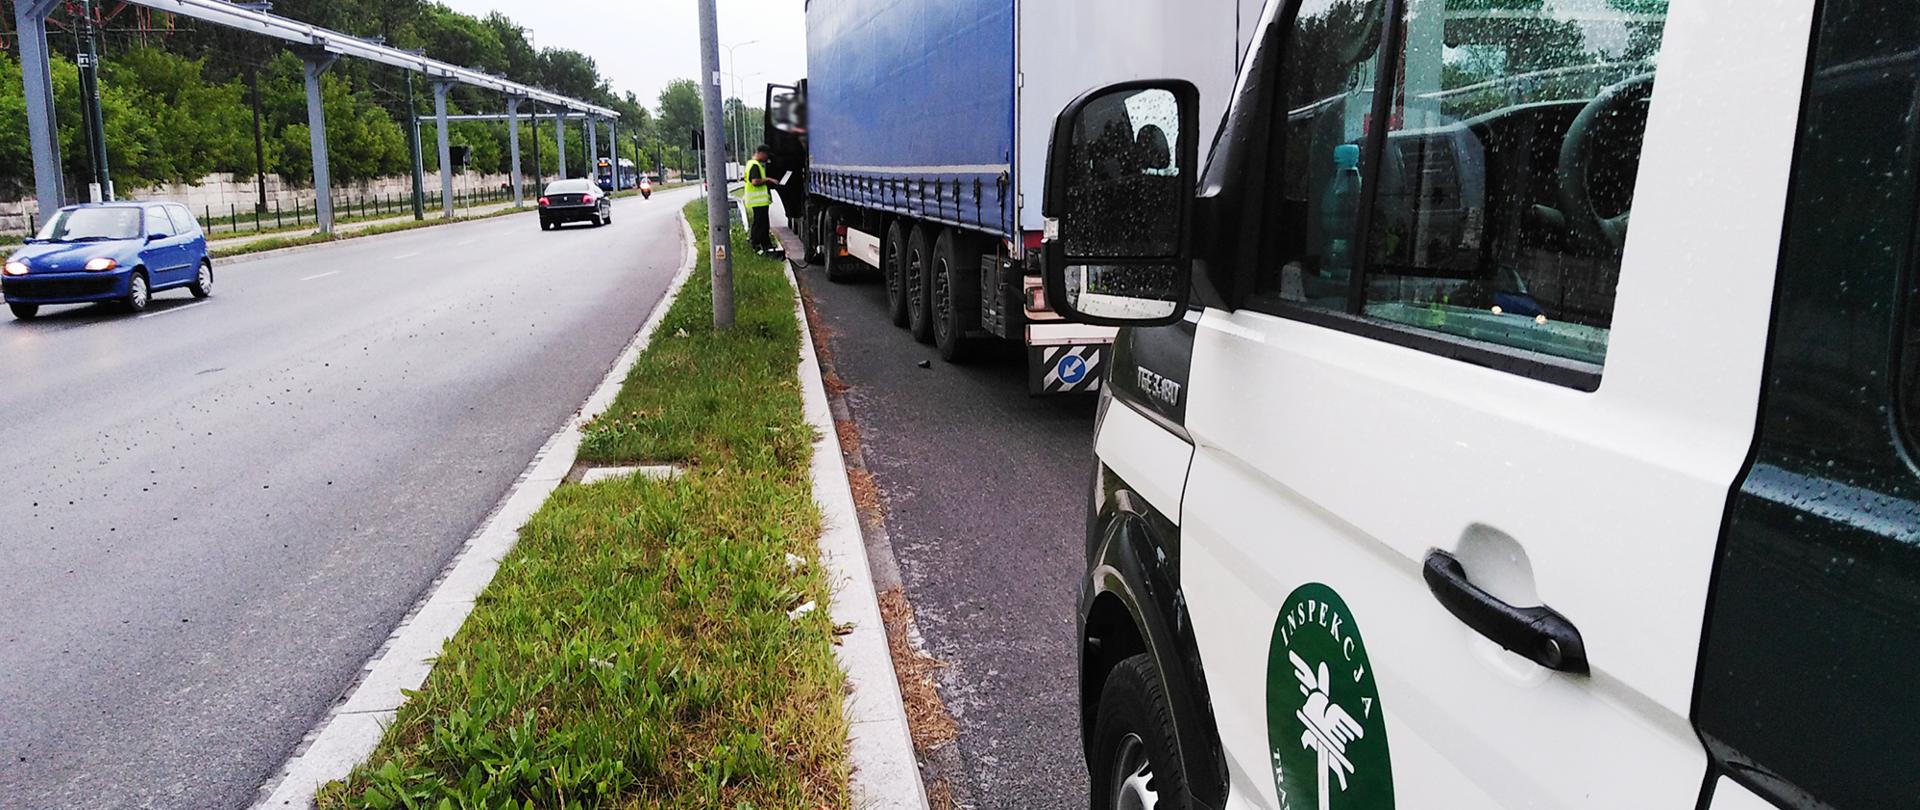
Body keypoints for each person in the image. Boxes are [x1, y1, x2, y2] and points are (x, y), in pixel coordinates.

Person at [744, 145, 779, 255]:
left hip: (757, 201)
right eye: (766, 156)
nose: (767, 159)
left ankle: (765, 245)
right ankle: (756, 245)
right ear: (761, 153)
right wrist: (769, 179)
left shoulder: (752, 164)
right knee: (760, 224)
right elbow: (755, 181)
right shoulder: (755, 165)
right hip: (758, 201)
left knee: (762, 224)